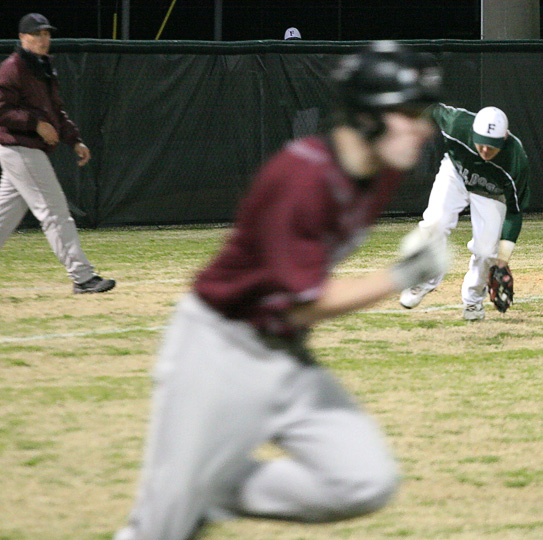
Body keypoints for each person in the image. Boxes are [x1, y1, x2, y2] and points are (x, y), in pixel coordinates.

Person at [113, 41, 446, 540]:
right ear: (366, 116)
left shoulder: (383, 172)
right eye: (409, 111)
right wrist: (402, 276)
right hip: (220, 351)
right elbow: (304, 304)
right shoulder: (302, 177)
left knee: (364, 481)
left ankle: (214, 489)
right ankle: (194, 493)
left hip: (282, 352)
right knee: (158, 530)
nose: (424, 126)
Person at [0, 13, 115, 294]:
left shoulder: (42, 66)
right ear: (23, 37)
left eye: (47, 33)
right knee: (55, 213)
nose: (43, 38)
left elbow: (56, 111)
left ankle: (83, 277)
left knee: (2, 218)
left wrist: (74, 140)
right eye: (37, 34)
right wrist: (35, 124)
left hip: (26, 148)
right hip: (20, 148)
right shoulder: (12, 68)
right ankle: (83, 277)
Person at [399, 103, 530, 320]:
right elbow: (430, 107)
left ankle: (472, 302)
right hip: (457, 173)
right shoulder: (456, 124)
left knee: (487, 252)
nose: (486, 150)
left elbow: (515, 213)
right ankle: (423, 281)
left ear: (505, 137)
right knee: (434, 222)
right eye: (482, 143)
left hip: (490, 192)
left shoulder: (516, 159)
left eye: (492, 145)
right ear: (473, 132)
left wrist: (503, 260)